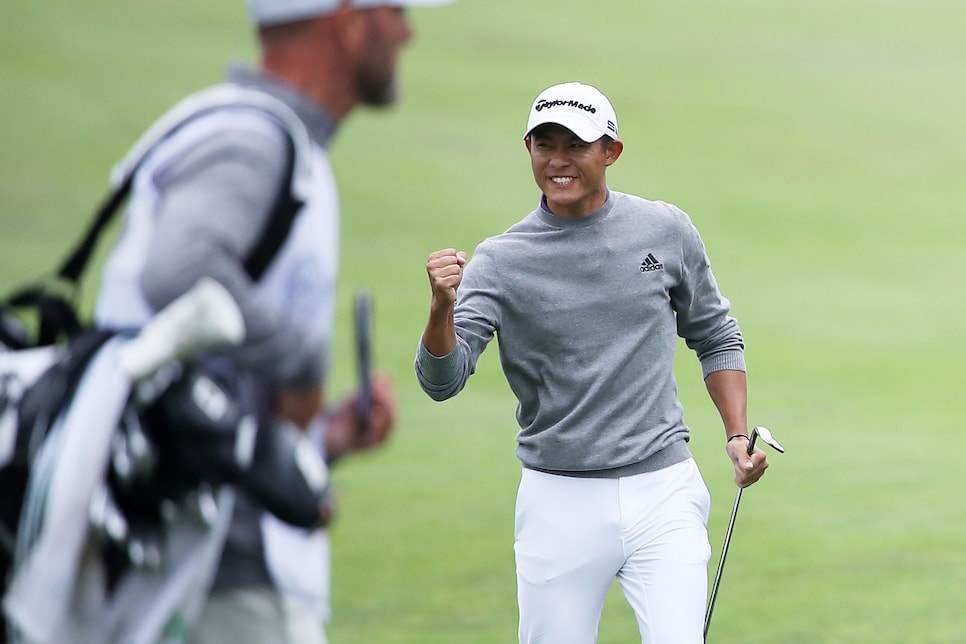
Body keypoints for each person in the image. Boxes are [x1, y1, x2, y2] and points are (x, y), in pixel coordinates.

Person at [91, 0, 455, 642]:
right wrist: (304, 360)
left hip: (211, 545)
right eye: (395, 11)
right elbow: (179, 272)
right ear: (348, 22)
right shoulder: (256, 141)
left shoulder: (272, 135)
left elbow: (207, 367)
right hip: (214, 565)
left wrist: (321, 440)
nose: (409, 30)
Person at [415, 81, 772, 643]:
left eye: (576, 145)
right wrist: (442, 308)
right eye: (544, 143)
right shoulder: (501, 260)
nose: (558, 160)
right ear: (527, 148)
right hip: (558, 500)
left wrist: (734, 435)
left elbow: (715, 333)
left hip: (664, 489)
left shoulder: (665, 230)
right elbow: (443, 379)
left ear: (611, 151)